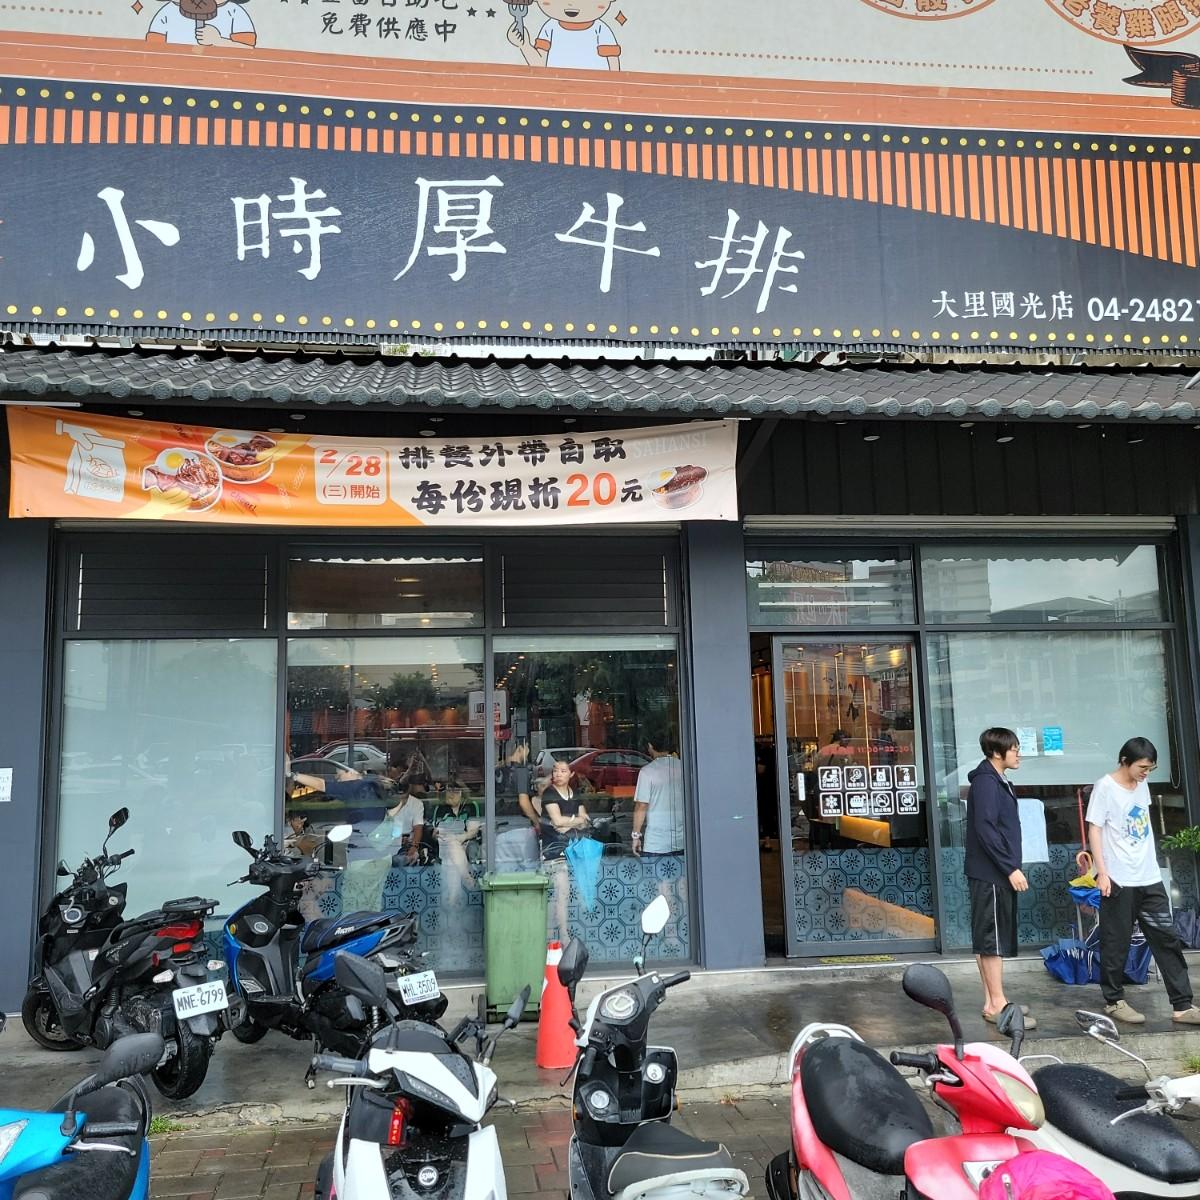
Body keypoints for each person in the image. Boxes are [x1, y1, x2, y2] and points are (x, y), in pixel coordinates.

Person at [1087, 737, 1200, 1024]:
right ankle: (1114, 1001)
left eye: (1151, 768)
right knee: (1116, 942)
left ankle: (1182, 1005)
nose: (1146, 773)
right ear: (1125, 761)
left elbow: (1141, 825)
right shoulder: (1105, 787)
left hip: (1149, 877)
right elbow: (1095, 830)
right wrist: (1102, 872)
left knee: (1166, 939)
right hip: (1119, 879)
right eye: (1142, 767)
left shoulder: (1142, 785)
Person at [965, 727, 1036, 1029]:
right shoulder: (986, 782)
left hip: (994, 871)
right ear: (997, 752)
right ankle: (998, 1004)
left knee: (989, 937)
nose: (1019, 754)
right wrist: (1010, 867)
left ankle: (993, 1000)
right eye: (1014, 749)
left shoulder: (997, 780)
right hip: (991, 872)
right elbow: (986, 828)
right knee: (991, 939)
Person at [540, 759, 590, 939]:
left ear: (571, 774)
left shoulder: (574, 793)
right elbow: (557, 821)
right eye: (555, 771)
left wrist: (569, 822)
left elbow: (585, 821)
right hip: (553, 850)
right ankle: (562, 935)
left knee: (569, 893)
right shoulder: (549, 793)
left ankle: (559, 933)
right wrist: (575, 820)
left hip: (573, 850)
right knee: (561, 891)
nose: (558, 774)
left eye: (563, 771)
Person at [632, 728, 684, 857]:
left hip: (656, 842)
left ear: (650, 746)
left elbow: (641, 806)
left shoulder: (647, 772)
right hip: (683, 839)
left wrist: (636, 836)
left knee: (655, 870)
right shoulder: (684, 767)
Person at [495, 742, 540, 871]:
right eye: (527, 748)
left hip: (500, 829)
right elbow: (523, 801)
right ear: (520, 748)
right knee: (529, 870)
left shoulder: (498, 769)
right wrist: (536, 822)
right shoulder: (521, 770)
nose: (528, 752)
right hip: (521, 829)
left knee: (504, 872)